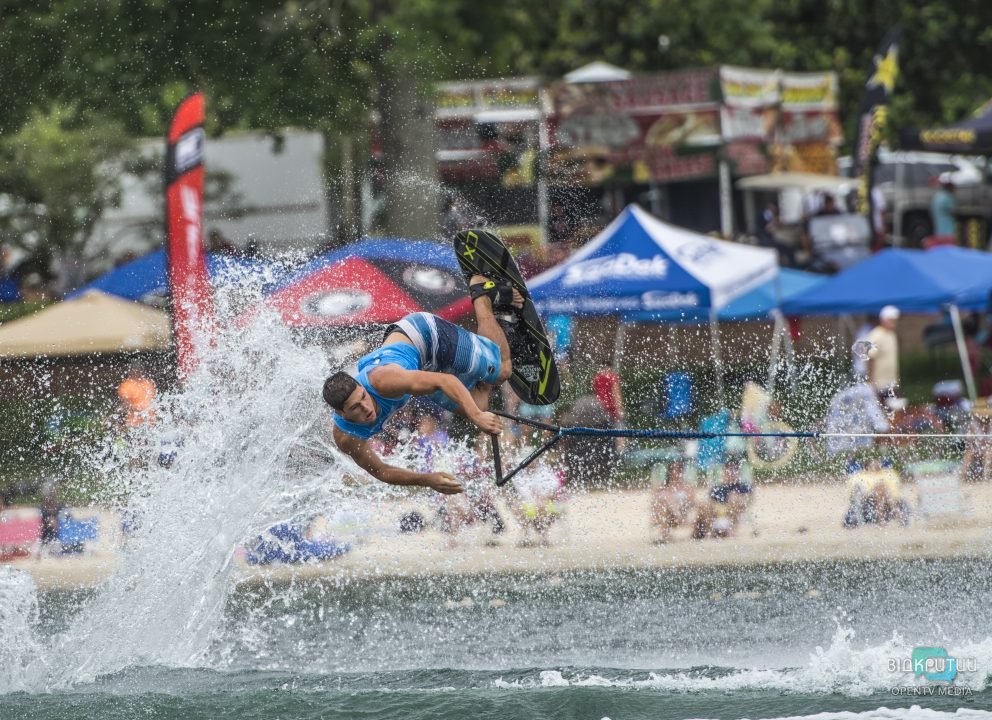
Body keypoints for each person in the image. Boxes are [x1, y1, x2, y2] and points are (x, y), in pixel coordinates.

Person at [323, 274, 524, 495]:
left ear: (361, 387)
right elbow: (381, 471)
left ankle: (481, 293)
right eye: (355, 408)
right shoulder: (347, 437)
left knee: (502, 372)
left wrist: (476, 416)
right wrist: (427, 479)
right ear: (340, 413)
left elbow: (446, 381)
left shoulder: (383, 382)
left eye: (363, 397)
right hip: (424, 367)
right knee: (479, 403)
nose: (366, 408)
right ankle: (496, 342)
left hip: (425, 335)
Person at [649, 461, 696, 544]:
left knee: (665, 496)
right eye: (673, 470)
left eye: (678, 470)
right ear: (669, 472)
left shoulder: (687, 487)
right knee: (664, 498)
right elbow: (654, 500)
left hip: (683, 512)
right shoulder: (663, 487)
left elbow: (692, 502)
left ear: (682, 472)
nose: (675, 472)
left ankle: (665, 533)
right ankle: (666, 533)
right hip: (669, 514)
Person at [866, 305, 901, 401]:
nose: (894, 322)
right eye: (891, 320)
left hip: (892, 383)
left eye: (895, 320)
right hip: (879, 384)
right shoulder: (875, 335)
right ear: (883, 319)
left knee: (895, 411)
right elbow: (870, 358)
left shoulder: (891, 334)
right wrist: (870, 381)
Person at [118, 364, 157, 428]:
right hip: (133, 421)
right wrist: (140, 408)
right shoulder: (126, 385)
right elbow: (125, 403)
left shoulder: (148, 383)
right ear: (131, 371)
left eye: (139, 370)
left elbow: (152, 401)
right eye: (135, 370)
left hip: (149, 420)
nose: (137, 372)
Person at [930, 174, 957, 239]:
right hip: (948, 230)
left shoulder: (937, 196)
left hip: (938, 230)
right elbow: (953, 211)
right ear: (950, 187)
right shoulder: (948, 197)